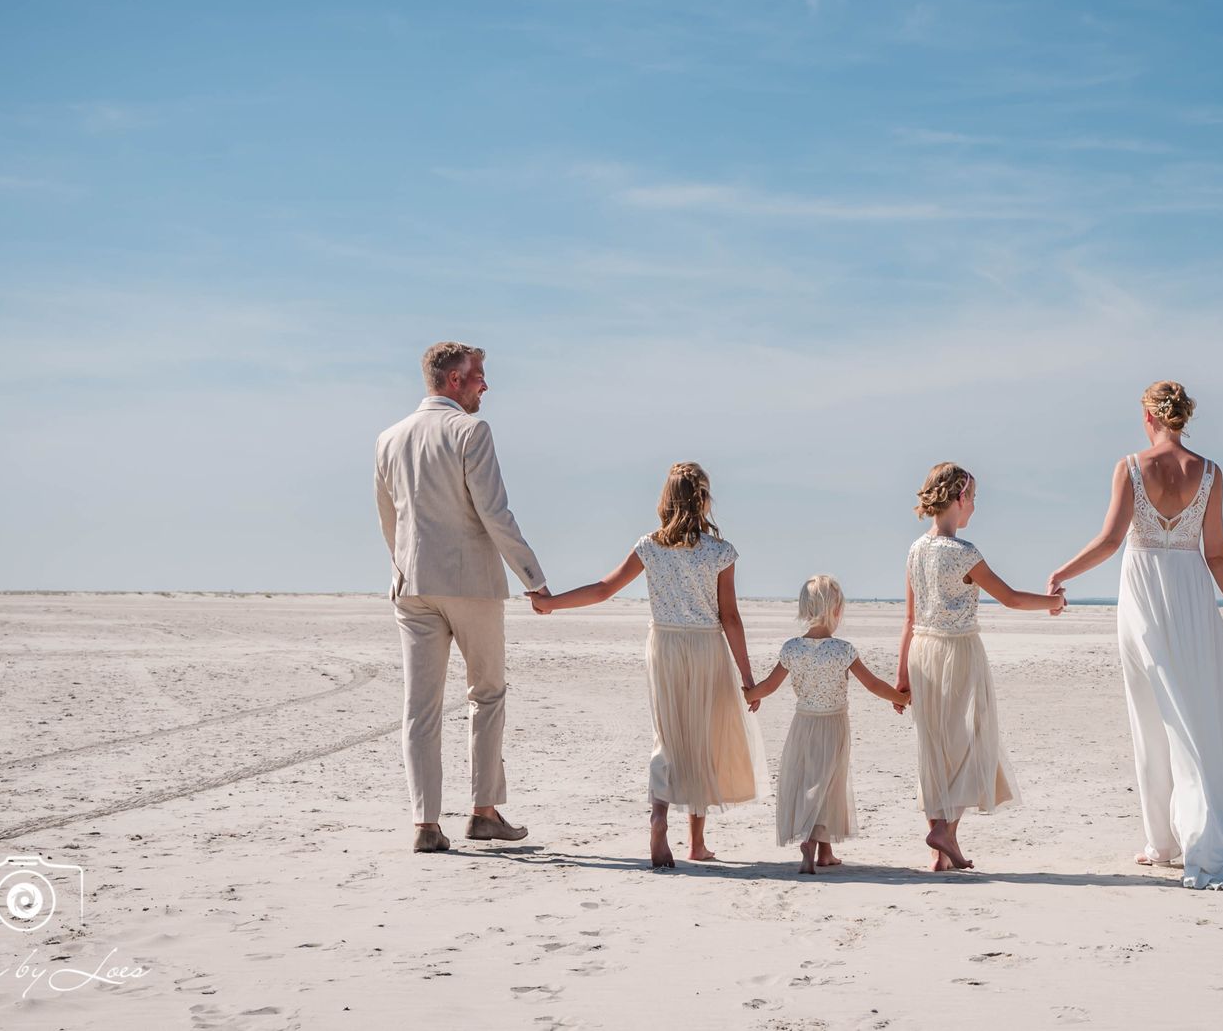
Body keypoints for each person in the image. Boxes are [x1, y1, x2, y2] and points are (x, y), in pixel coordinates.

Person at [1047, 381, 1223, 889]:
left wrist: (1063, 572)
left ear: (1148, 415)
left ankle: (1172, 840)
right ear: (1182, 417)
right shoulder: (1209, 473)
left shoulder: (1130, 466)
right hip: (1192, 596)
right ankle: (1170, 837)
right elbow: (1218, 555)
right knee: (1197, 707)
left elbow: (1109, 541)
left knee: (1152, 713)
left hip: (1144, 595)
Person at [531, 462, 765, 868]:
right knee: (702, 738)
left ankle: (659, 815)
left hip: (665, 646)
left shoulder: (650, 546)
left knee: (669, 737)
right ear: (704, 501)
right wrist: (747, 677)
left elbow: (604, 590)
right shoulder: (720, 552)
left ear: (666, 500)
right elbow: (730, 617)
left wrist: (551, 603)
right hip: (707, 648)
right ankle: (697, 842)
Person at [374, 342, 547, 853]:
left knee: (419, 708)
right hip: (470, 583)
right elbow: (495, 513)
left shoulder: (388, 437)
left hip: (412, 585)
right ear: (454, 380)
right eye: (479, 377)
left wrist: (404, 567)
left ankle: (425, 824)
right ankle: (484, 811)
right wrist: (533, 578)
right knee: (487, 694)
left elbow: (389, 519)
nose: (485, 386)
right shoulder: (471, 430)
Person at [899, 463, 1066, 872]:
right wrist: (1054, 603)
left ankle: (942, 852)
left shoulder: (916, 549)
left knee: (935, 747)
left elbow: (909, 617)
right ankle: (945, 830)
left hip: (921, 650)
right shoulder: (963, 554)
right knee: (973, 739)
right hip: (957, 652)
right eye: (972, 497)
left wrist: (901, 673)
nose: (974, 505)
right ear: (958, 500)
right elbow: (1008, 598)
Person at [745, 575, 910, 874]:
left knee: (808, 779)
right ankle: (812, 841)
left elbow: (769, 685)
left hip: (803, 725)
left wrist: (750, 695)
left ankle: (823, 851)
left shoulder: (792, 648)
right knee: (830, 784)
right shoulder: (842, 650)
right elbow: (872, 683)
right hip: (833, 726)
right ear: (836, 610)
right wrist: (900, 698)